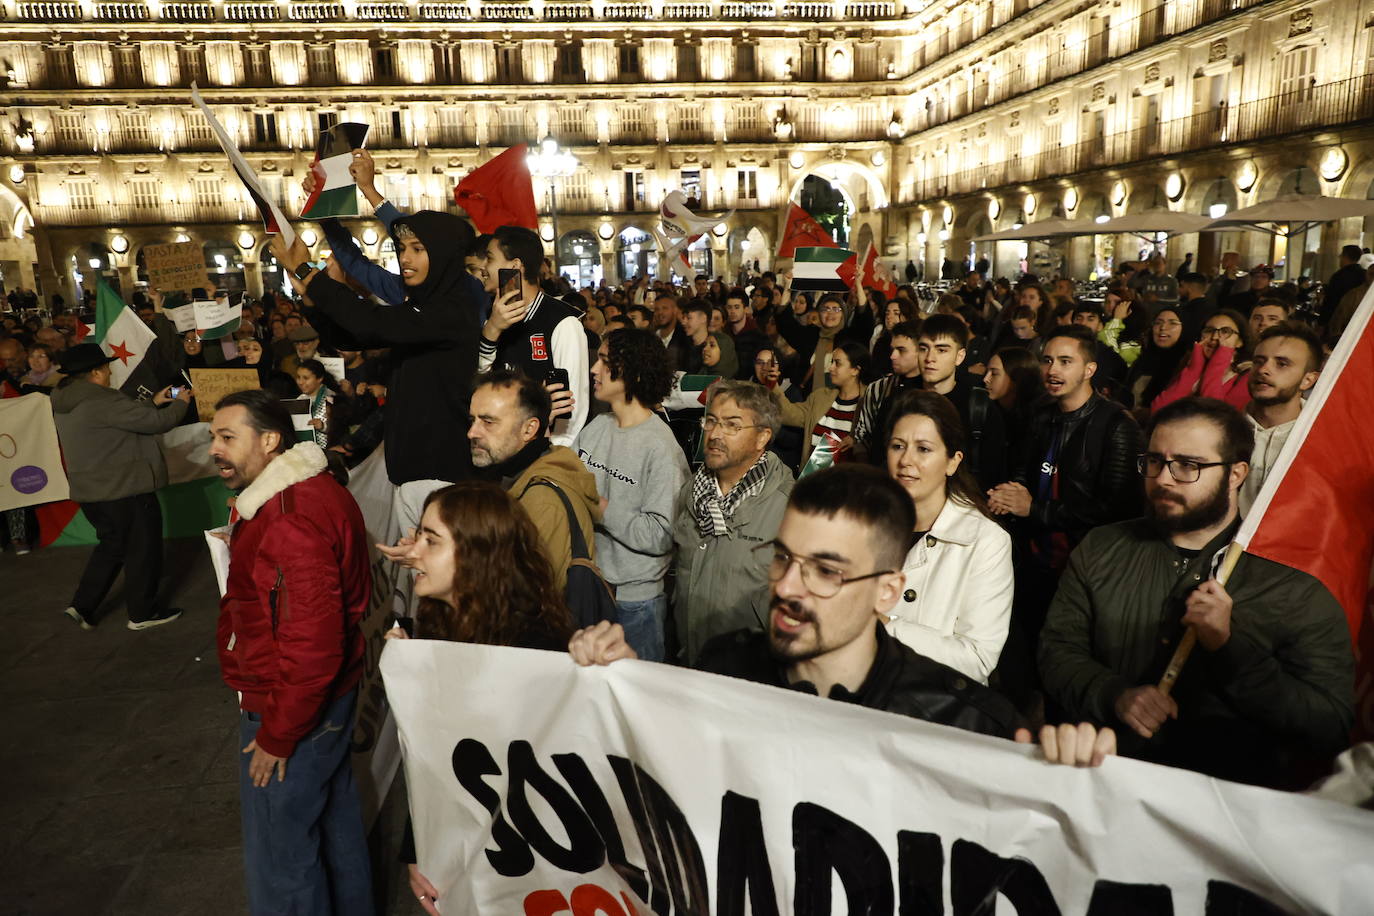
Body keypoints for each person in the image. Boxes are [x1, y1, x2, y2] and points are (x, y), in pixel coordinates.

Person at [572, 465, 1116, 763]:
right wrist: (624, 685)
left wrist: (1064, 779)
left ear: (887, 591)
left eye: (826, 571)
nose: (787, 587)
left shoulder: (964, 724)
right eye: (783, 557)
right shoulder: (727, 667)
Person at [1038, 397, 1354, 788]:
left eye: (1188, 465)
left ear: (1237, 473)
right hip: (1105, 778)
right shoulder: (1102, 546)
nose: (1164, 478)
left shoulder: (1292, 583)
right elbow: (1057, 651)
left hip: (1230, 803)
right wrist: (1115, 695)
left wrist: (1229, 646)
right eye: (1154, 461)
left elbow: (1330, 724)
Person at [207, 390, 374, 913]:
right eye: (213, 437)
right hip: (327, 700)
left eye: (228, 437)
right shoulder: (308, 491)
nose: (215, 448)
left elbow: (311, 644)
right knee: (334, 821)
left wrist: (278, 734)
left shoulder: (287, 520)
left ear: (271, 441)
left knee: (280, 853)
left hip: (290, 707)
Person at [383, 480, 574, 914]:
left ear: (476, 553)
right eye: (418, 536)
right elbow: (433, 761)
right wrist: (421, 850)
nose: (412, 552)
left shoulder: (539, 647)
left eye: (431, 541)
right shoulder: (435, 624)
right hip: (461, 858)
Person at [272, 210, 484, 586]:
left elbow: (373, 323)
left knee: (450, 585)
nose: (405, 258)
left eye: (418, 249)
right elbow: (354, 338)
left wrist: (309, 272)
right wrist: (311, 297)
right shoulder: (423, 305)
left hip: (442, 474)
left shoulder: (452, 310)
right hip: (414, 471)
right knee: (425, 583)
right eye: (402, 248)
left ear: (447, 254)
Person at [50, 343, 191, 630]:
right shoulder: (103, 401)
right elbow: (159, 422)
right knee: (142, 551)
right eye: (106, 367)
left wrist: (151, 401)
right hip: (125, 490)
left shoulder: (64, 398)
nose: (110, 372)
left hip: (92, 492)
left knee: (111, 547)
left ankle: (82, 606)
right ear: (95, 372)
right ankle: (143, 613)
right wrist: (181, 401)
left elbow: (115, 422)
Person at [574, 328, 689, 660]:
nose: (594, 369)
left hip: (634, 604)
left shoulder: (661, 448)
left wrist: (601, 507)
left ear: (634, 373)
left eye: (605, 362)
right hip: (591, 588)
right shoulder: (597, 427)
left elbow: (661, 535)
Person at [884, 390, 1012, 684]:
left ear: (953, 462)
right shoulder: (863, 523)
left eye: (923, 449)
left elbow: (978, 659)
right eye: (898, 446)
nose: (906, 460)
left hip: (932, 707)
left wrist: (884, 627)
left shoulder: (985, 541)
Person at [673, 381, 793, 663]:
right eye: (711, 421)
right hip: (689, 660)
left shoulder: (790, 508)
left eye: (732, 425)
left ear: (762, 437)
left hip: (751, 674)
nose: (714, 434)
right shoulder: (691, 492)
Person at [462, 369, 598, 590]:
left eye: (488, 422)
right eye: (473, 420)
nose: (472, 432)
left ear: (529, 429)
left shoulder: (541, 501)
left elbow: (524, 597)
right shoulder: (513, 477)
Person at [478, 226, 590, 445]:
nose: (483, 267)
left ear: (515, 266)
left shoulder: (562, 322)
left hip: (543, 455)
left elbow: (572, 412)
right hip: (499, 448)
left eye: (489, 259)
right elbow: (479, 384)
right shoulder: (492, 317)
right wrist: (491, 331)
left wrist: (551, 458)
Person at [915, 314, 1008, 489]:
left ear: (960, 356)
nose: (930, 358)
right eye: (924, 348)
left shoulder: (980, 408)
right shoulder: (899, 401)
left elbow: (993, 475)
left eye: (941, 350)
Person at [1239, 323, 1322, 515]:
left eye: (1281, 364)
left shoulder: (1321, 439)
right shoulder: (1223, 428)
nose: (1263, 370)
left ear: (1308, 380)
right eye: (1259, 361)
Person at [772, 340, 868, 468]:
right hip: (814, 479)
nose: (830, 368)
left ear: (855, 370)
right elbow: (788, 414)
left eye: (837, 363)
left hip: (848, 482)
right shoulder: (820, 398)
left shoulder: (869, 401)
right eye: (831, 362)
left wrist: (857, 442)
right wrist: (773, 385)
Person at [1151, 308, 1252, 413]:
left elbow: (1215, 415)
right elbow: (1158, 409)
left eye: (1225, 331)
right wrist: (1194, 369)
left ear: (1240, 342)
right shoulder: (1192, 362)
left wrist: (1220, 358)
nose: (1215, 337)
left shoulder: (1247, 373)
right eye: (1209, 331)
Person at [851, 319, 923, 462]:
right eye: (892, 350)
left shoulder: (931, 391)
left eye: (901, 350)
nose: (893, 356)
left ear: (921, 351)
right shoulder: (878, 388)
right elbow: (862, 434)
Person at [1321, 244, 1366, 328]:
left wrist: (1322, 323)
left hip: (1338, 320)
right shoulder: (1364, 274)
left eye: (1341, 255)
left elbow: (1330, 301)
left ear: (1345, 257)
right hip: (1358, 320)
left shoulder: (1339, 276)